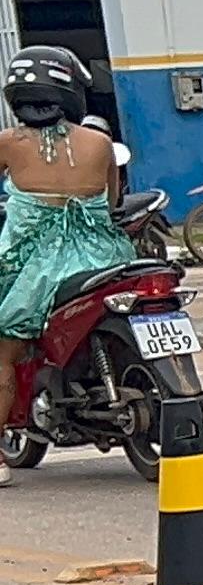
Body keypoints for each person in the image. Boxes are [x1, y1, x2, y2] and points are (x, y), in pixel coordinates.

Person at [0, 47, 138, 483]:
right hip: (104, 258)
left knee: (4, 353)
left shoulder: (7, 143)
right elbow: (112, 202)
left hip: (33, 270)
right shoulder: (100, 143)